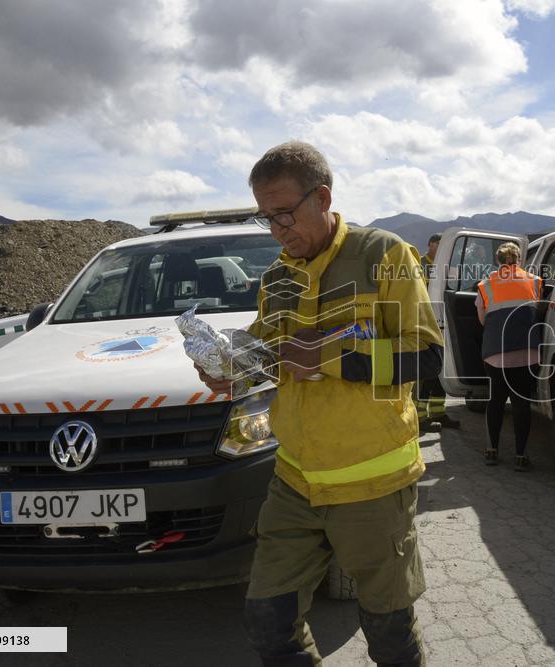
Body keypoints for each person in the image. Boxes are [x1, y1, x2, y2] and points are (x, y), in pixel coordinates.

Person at [196, 141, 442, 665]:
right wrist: (231, 371)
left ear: (322, 196)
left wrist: (329, 356)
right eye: (267, 218)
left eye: (284, 213)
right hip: (295, 481)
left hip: (373, 483)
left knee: (389, 635)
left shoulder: (385, 255)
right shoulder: (276, 278)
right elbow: (268, 355)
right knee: (267, 621)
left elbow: (425, 356)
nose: (278, 229)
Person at [474, 242, 543, 471]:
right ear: (519, 259)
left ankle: (492, 452)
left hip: (496, 354)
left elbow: (483, 319)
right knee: (522, 403)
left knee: (496, 402)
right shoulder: (534, 281)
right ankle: (521, 457)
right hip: (527, 352)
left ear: (498, 260)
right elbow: (536, 310)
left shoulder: (486, 285)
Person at [414, 233, 460, 432]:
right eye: (438, 245)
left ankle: (438, 412)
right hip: (424, 325)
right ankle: (420, 417)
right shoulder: (419, 265)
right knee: (426, 373)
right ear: (430, 244)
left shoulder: (446, 267)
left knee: (440, 370)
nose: (442, 249)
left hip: (443, 325)